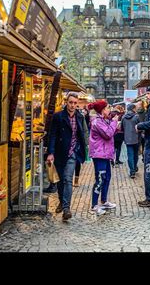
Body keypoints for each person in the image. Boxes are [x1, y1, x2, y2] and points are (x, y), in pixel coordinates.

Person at [47, 92, 89, 221]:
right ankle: (61, 201)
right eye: (71, 102)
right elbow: (52, 135)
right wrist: (50, 152)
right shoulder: (58, 116)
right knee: (59, 180)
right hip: (60, 152)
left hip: (72, 153)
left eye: (75, 103)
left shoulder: (80, 117)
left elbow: (83, 133)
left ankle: (66, 208)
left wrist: (85, 147)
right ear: (66, 102)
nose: (73, 105)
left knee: (68, 180)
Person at [88, 100, 119, 215]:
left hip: (105, 154)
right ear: (102, 110)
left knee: (107, 178)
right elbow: (108, 134)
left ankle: (104, 200)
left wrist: (114, 125)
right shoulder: (97, 122)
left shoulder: (103, 120)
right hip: (99, 154)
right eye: (107, 108)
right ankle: (94, 205)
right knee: (100, 179)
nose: (109, 110)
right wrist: (114, 123)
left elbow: (110, 132)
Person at [121, 103, 140, 178]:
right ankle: (134, 167)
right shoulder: (136, 117)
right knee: (135, 154)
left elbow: (122, 128)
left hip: (127, 139)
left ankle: (132, 171)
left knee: (130, 155)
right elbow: (140, 127)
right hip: (136, 138)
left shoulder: (123, 117)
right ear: (133, 109)